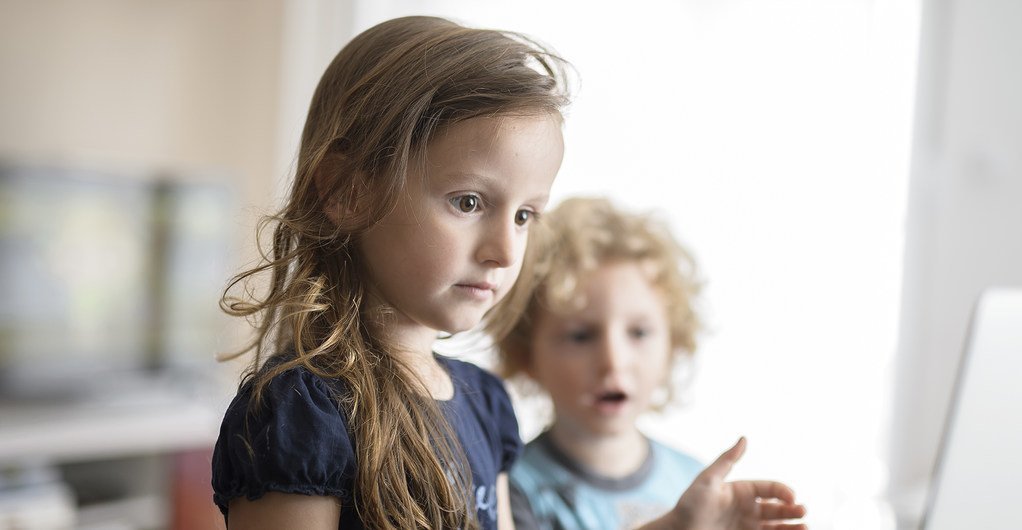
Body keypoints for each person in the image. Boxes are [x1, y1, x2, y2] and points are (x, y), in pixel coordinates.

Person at [212, 14, 803, 530]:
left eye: (524, 215)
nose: (503, 249)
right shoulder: (300, 413)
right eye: (468, 202)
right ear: (348, 190)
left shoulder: (485, 403)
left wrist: (675, 526)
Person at [498, 197, 808, 530]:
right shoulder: (512, 489)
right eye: (581, 336)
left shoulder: (692, 481)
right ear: (526, 353)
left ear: (672, 344)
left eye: (639, 332)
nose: (613, 361)